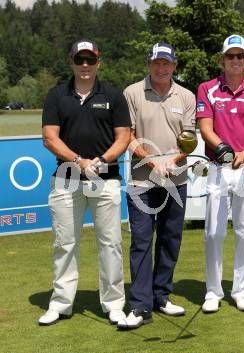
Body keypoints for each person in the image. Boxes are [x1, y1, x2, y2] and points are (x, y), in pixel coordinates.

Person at [39, 39, 131, 326]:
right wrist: (79, 160)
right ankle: (61, 303)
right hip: (67, 180)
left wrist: (102, 161)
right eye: (80, 60)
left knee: (111, 243)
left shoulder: (114, 95)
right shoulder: (57, 96)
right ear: (72, 62)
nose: (86, 65)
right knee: (65, 243)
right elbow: (49, 138)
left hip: (106, 179)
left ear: (98, 63)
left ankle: (114, 303)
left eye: (91, 60)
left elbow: (124, 136)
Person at [117, 42, 196, 329]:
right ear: (150, 64)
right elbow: (129, 136)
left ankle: (161, 296)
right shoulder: (132, 92)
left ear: (174, 65)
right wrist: (153, 162)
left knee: (169, 239)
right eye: (157, 63)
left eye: (167, 63)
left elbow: (188, 139)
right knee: (141, 241)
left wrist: (173, 161)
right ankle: (139, 305)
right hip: (141, 181)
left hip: (175, 179)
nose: (161, 68)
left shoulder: (186, 95)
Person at [196, 34, 244, 313]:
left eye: (240, 56)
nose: (235, 60)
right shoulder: (208, 88)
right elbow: (205, 128)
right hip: (218, 167)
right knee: (214, 232)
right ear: (223, 60)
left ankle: (240, 290)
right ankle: (213, 291)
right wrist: (225, 149)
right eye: (230, 56)